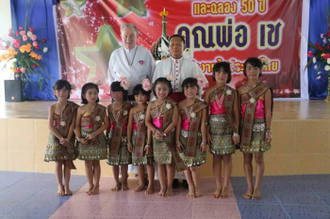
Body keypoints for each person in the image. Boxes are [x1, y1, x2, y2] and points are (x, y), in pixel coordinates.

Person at [237, 57, 273, 200]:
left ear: (260, 70)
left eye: (255, 68)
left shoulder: (265, 90)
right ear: (245, 71)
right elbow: (237, 112)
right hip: (245, 128)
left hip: (260, 127)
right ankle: (249, 187)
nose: (252, 71)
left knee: (258, 158)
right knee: (246, 158)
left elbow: (268, 112)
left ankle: (257, 188)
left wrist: (268, 130)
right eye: (249, 68)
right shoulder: (239, 90)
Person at [204, 62, 240, 198]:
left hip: (228, 128)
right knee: (216, 158)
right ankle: (218, 186)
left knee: (227, 158)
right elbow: (205, 115)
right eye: (218, 72)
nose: (221, 75)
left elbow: (236, 113)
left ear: (228, 75)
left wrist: (236, 132)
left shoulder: (232, 92)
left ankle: (225, 186)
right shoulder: (208, 92)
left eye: (224, 72)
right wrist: (206, 132)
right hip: (213, 129)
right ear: (214, 74)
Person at [145, 77, 186, 197]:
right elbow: (147, 121)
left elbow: (174, 121)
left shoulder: (173, 104)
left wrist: (163, 132)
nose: (161, 92)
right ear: (154, 90)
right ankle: (162, 187)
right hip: (156, 138)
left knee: (169, 163)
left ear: (169, 90)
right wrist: (155, 131)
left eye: (164, 89)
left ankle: (169, 187)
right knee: (160, 164)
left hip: (169, 137)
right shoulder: (151, 104)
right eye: (159, 89)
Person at [44, 80, 79, 196]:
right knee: (58, 162)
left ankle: (67, 186)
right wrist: (60, 138)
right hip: (55, 136)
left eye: (64, 90)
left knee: (67, 162)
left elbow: (73, 125)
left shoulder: (74, 107)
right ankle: (60, 186)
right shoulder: (52, 107)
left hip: (68, 136)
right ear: (55, 92)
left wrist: (68, 139)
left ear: (69, 92)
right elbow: (50, 125)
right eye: (58, 90)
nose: (61, 92)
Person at [175, 77, 208, 198]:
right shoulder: (179, 105)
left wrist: (204, 141)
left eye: (193, 87)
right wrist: (177, 140)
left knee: (194, 166)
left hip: (197, 139)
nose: (190, 90)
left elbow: (203, 124)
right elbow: (178, 123)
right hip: (183, 139)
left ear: (197, 89)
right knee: (186, 166)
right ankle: (190, 186)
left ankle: (197, 187)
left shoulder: (201, 105)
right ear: (183, 89)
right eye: (187, 87)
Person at [152, 34, 208, 102]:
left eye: (178, 44)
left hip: (187, 101)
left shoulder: (193, 65)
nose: (175, 47)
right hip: (165, 101)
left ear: (184, 48)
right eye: (172, 44)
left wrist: (195, 100)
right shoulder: (160, 65)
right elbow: (154, 86)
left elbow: (200, 86)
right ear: (169, 47)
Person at [75, 83, 109, 195]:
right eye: (90, 93)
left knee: (96, 163)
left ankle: (97, 185)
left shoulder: (102, 109)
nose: (93, 95)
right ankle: (90, 185)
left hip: (98, 139)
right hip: (85, 140)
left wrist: (95, 133)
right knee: (87, 163)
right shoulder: (80, 109)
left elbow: (106, 124)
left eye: (95, 93)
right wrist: (79, 138)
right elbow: (76, 126)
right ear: (84, 95)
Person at [108, 23, 155, 99]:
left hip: (140, 96)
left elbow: (153, 74)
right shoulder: (115, 54)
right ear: (121, 36)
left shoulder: (145, 53)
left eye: (132, 36)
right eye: (125, 36)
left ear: (137, 36)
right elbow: (111, 77)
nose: (128, 39)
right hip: (121, 97)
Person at [127, 79, 155, 194]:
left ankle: (151, 185)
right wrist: (129, 141)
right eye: (137, 95)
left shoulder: (150, 107)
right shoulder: (132, 110)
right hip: (135, 138)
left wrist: (149, 142)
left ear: (148, 96)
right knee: (139, 162)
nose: (139, 97)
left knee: (148, 162)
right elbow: (129, 126)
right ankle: (142, 183)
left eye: (143, 95)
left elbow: (150, 125)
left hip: (147, 137)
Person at [107, 80, 133, 191]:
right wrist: (106, 137)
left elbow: (131, 124)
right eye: (113, 92)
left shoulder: (129, 106)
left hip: (124, 137)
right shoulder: (109, 107)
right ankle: (117, 183)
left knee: (124, 162)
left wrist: (129, 140)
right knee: (114, 162)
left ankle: (124, 182)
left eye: (118, 91)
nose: (116, 94)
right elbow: (108, 123)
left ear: (124, 92)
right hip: (113, 137)